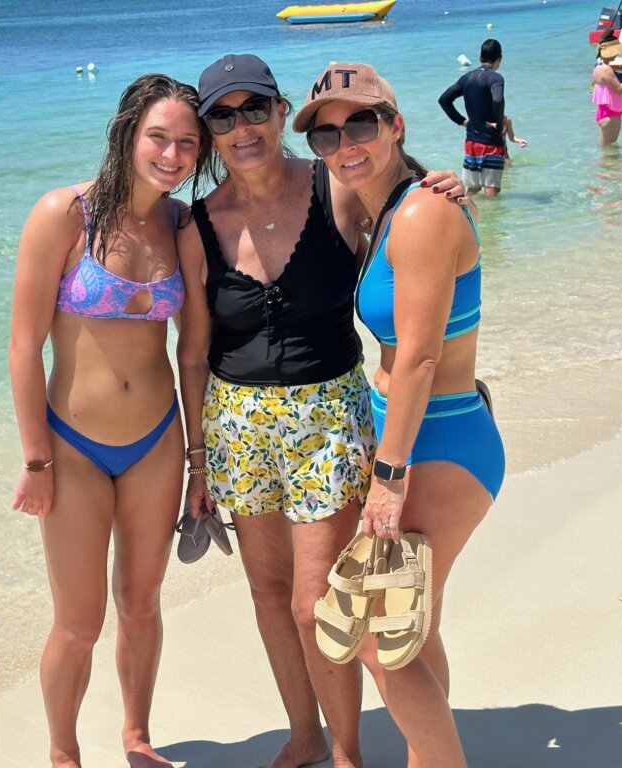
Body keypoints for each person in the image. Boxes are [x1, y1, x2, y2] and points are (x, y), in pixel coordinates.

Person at [176, 54, 466, 768]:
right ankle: (303, 734)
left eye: (254, 109)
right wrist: (197, 458)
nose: (241, 127)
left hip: (329, 419)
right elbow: (192, 350)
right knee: (268, 594)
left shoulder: (336, 186)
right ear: (209, 132)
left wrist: (448, 187)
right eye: (223, 115)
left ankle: (346, 751)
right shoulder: (197, 224)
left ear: (280, 113)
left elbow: (411, 226)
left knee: (316, 604)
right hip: (238, 422)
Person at [293, 61, 505, 767]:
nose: (345, 143)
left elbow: (415, 359)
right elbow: (297, 183)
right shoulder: (382, 201)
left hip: (436, 439)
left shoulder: (419, 214)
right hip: (421, 432)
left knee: (380, 635)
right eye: (327, 135)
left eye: (362, 124)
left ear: (395, 124)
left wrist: (388, 475)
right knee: (410, 624)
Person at [8, 73, 209, 768]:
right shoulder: (64, 214)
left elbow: (195, 350)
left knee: (142, 603)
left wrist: (198, 460)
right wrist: (36, 458)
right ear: (128, 133)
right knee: (78, 622)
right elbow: (22, 346)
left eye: (188, 142)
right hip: (72, 446)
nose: (173, 153)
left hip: (157, 440)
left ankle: (136, 735)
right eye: (160, 136)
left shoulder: (181, 226)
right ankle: (63, 754)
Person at [438, 38, 508, 198]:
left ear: (480, 57)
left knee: (472, 192)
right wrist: (498, 124)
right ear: (499, 59)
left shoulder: (466, 78)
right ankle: (491, 223)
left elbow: (444, 100)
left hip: (471, 144)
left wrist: (462, 121)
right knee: (491, 192)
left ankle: (471, 221)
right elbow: (498, 100)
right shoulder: (496, 78)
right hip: (490, 143)